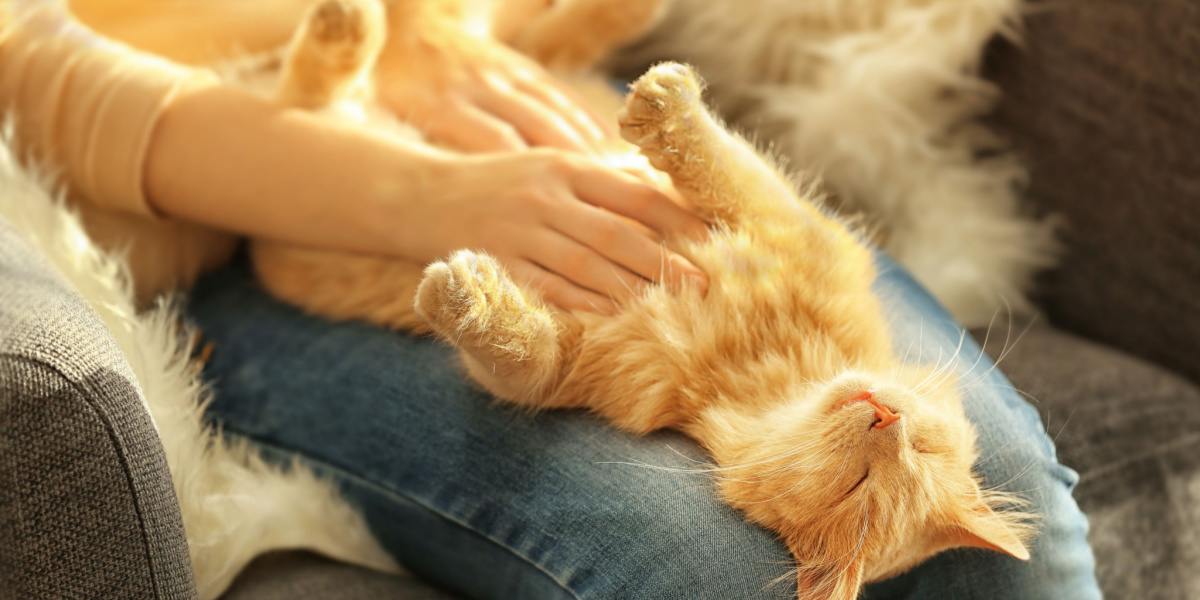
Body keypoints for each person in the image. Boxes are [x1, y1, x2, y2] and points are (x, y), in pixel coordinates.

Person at [0, 1, 1100, 598]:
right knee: (708, 573)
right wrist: (419, 187)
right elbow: (29, 69)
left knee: (1020, 512)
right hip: (258, 206)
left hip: (532, 108)